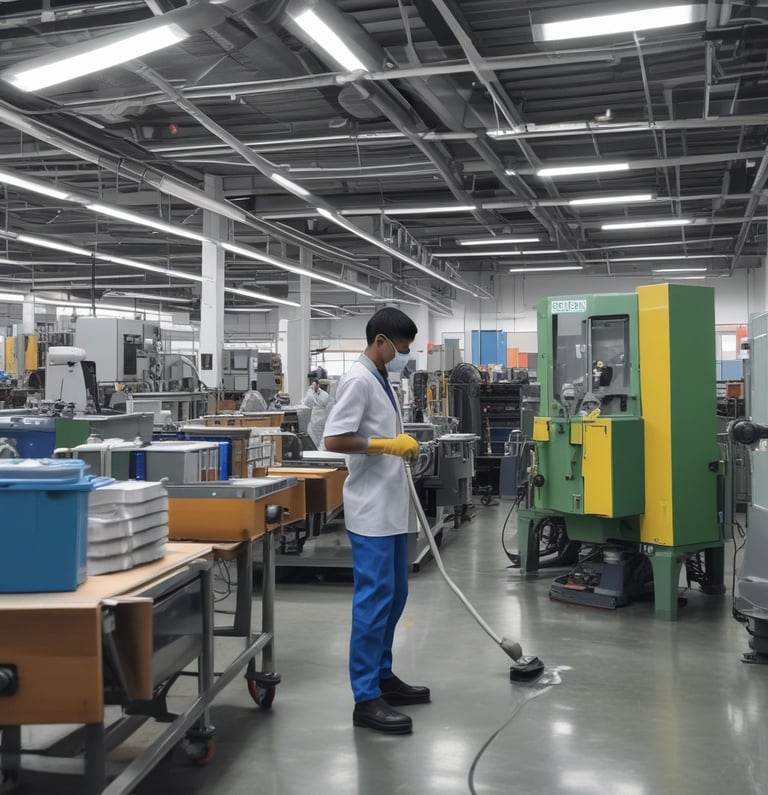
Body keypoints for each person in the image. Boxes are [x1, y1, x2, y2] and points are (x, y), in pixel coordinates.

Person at [323, 307, 427, 735]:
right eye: (401, 348)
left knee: (395, 595)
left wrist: (401, 444)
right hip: (371, 511)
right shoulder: (358, 380)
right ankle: (365, 697)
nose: (405, 356)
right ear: (380, 341)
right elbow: (334, 438)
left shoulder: (382, 377)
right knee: (373, 603)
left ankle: (383, 676)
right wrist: (386, 445)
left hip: (393, 508)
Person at [302, 378, 331, 449]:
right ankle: (315, 448)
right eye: (312, 385)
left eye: (314, 384)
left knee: (321, 434)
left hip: (322, 416)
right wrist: (309, 391)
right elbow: (307, 402)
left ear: (318, 385)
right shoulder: (310, 393)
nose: (313, 386)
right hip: (314, 415)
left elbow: (325, 403)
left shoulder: (324, 394)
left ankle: (321, 448)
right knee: (313, 435)